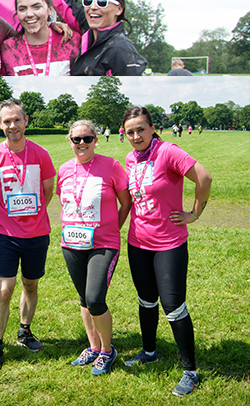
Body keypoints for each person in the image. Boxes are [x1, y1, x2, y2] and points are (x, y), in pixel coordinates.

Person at [122, 106, 213, 397]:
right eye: (130, 131)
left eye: (140, 129)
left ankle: (191, 371)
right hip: (138, 242)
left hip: (168, 244)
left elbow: (204, 178)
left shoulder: (168, 151)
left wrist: (194, 214)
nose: (136, 136)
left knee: (173, 306)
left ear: (152, 129)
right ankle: (149, 352)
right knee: (146, 301)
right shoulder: (129, 158)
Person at [0, 99, 56, 372]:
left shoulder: (41, 154)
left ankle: (24, 332)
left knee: (31, 285)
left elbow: (48, 192)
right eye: (6, 121)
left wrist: (31, 215)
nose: (12, 125)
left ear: (25, 121)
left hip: (37, 234)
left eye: (17, 120)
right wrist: (11, 218)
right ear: (0, 124)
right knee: (4, 289)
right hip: (6, 236)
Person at [57, 120, 131, 376]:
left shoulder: (111, 166)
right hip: (72, 243)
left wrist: (113, 229)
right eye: (76, 139)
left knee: (96, 299)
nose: (81, 144)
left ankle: (108, 351)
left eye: (87, 138)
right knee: (84, 298)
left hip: (104, 243)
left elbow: (126, 202)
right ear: (69, 141)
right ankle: (93, 347)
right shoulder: (64, 169)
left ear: (95, 140)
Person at [0, 0, 79, 76]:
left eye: (36, 7)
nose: (29, 14)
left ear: (49, 9)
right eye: (22, 9)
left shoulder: (72, 41)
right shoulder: (8, 48)